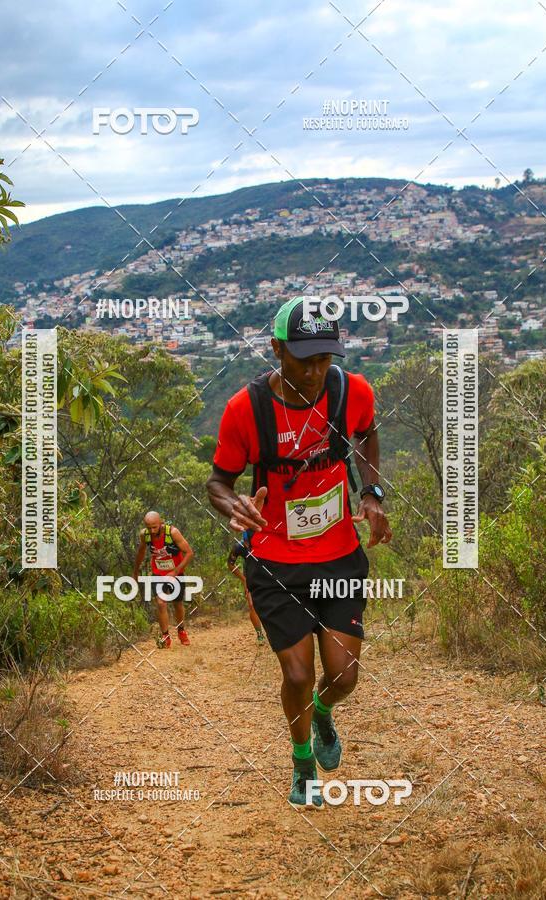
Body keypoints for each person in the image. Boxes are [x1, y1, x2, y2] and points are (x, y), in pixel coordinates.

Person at [206, 296, 392, 808]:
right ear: (276, 349)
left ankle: (324, 711)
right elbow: (218, 482)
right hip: (274, 560)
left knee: (343, 677)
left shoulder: (350, 392)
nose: (313, 372)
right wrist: (236, 505)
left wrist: (371, 493)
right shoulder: (246, 410)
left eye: (324, 359)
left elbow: (367, 432)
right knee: (297, 673)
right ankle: (302, 760)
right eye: (303, 359)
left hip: (338, 555)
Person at [133, 511, 194, 648]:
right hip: (158, 574)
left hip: (176, 573)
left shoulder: (173, 533)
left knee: (177, 603)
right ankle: (165, 636)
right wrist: (135, 571)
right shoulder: (145, 535)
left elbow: (189, 553)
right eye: (149, 527)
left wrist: (175, 571)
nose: (152, 531)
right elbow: (141, 552)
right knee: (161, 603)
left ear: (161, 522)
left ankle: (181, 630)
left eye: (154, 527)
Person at [227, 529, 265, 644]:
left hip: (266, 575)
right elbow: (230, 564)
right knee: (252, 605)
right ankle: (259, 635)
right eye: (246, 542)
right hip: (250, 576)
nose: (247, 545)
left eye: (249, 543)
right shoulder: (238, 547)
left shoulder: (264, 542)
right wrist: (243, 579)